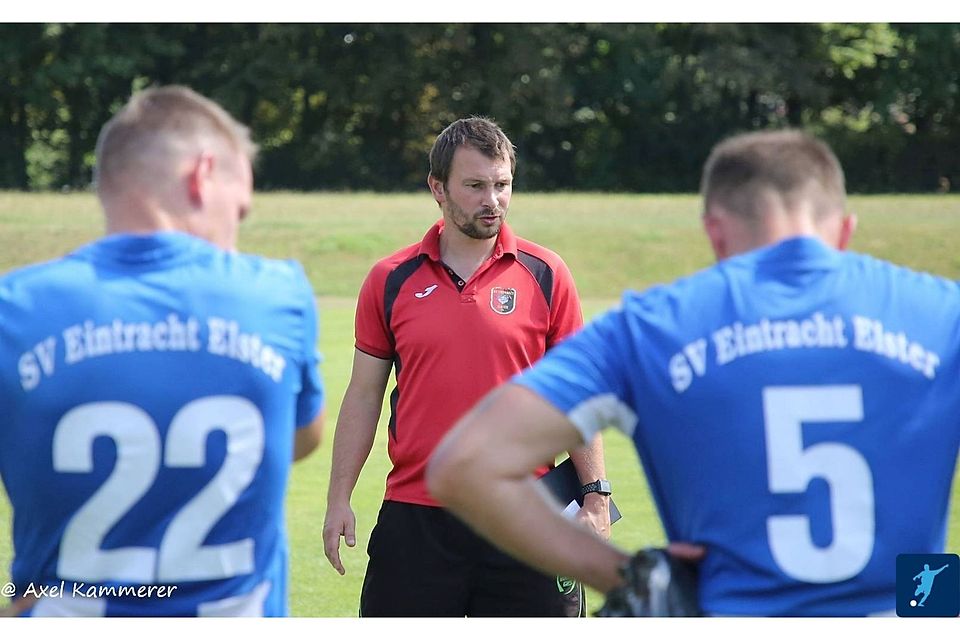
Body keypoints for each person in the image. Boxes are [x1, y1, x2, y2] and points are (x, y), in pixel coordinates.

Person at [428, 129, 960, 616]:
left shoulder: (649, 328)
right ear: (845, 232)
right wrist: (932, 604)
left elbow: (463, 466)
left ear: (715, 233)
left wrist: (626, 576)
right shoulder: (943, 315)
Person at [0, 85, 324, 617]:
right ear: (202, 174)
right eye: (238, 210)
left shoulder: (15, 309)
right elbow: (302, 436)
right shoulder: (276, 294)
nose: (233, 237)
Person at [321, 116, 610, 617]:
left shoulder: (546, 274)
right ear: (438, 188)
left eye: (502, 185)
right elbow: (364, 395)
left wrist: (596, 497)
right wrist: (338, 497)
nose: (492, 200)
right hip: (417, 519)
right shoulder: (390, 280)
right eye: (475, 186)